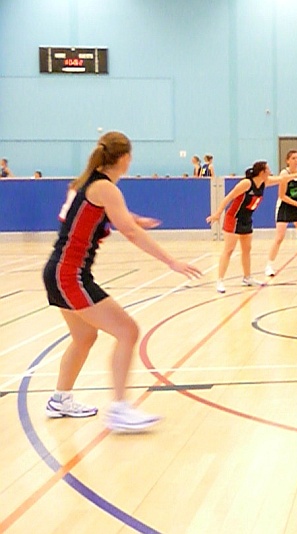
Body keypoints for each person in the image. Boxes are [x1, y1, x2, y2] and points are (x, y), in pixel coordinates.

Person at [42, 131, 202, 432]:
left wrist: (132, 218)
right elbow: (128, 232)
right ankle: (119, 409)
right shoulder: (106, 188)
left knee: (85, 338)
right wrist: (171, 261)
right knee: (128, 330)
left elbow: (96, 215)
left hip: (60, 271)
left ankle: (59, 399)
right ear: (125, 158)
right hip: (69, 274)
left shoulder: (88, 184)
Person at [207, 161, 297, 293]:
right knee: (228, 250)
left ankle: (247, 278)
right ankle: (220, 280)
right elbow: (228, 197)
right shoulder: (246, 183)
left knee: (247, 249)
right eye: (268, 169)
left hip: (247, 219)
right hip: (234, 218)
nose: (270, 172)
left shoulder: (264, 183)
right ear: (262, 172)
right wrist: (217, 213)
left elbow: (282, 178)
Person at [264, 150, 297, 276]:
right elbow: (282, 195)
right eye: (293, 158)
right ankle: (269, 265)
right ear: (287, 160)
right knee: (279, 237)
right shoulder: (285, 173)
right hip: (285, 205)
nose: (296, 160)